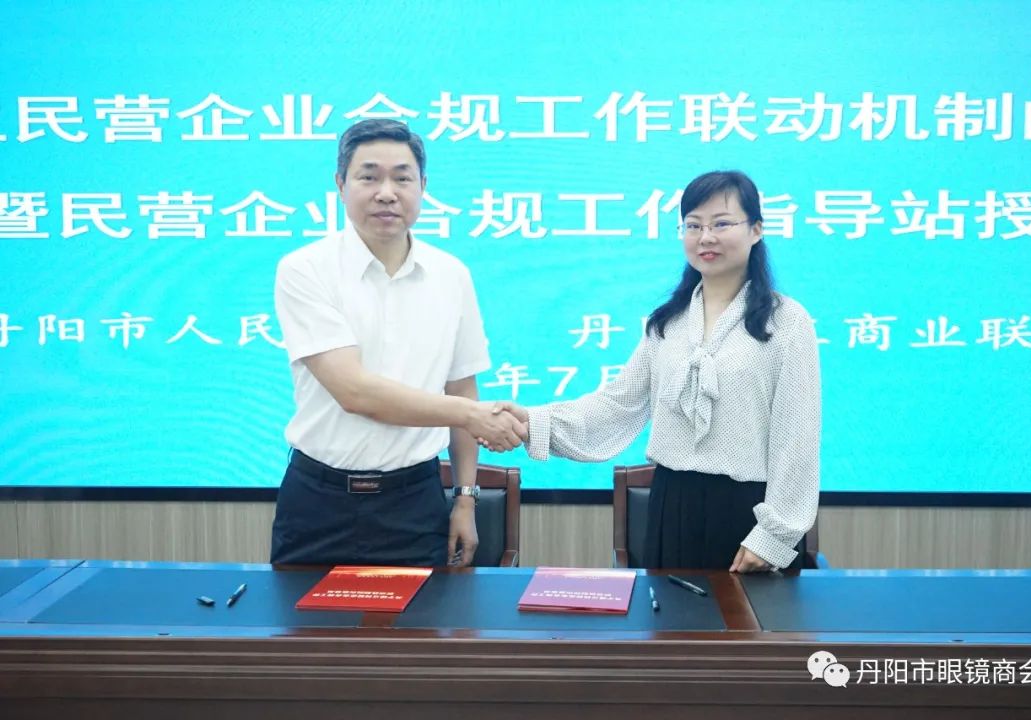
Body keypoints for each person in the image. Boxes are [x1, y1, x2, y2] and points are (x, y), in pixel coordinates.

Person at [490, 170, 820, 572]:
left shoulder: (786, 322)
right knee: (671, 614)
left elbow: (797, 437)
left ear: (756, 229)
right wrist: (532, 422)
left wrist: (773, 537)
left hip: (750, 512)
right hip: (672, 505)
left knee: (748, 616)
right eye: (693, 225)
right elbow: (617, 406)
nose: (706, 237)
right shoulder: (667, 323)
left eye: (721, 224)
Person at [271, 119, 526, 568]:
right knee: (304, 616)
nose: (386, 193)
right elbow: (355, 393)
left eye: (402, 178)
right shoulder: (305, 270)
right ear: (340, 184)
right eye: (369, 177)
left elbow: (462, 388)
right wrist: (472, 415)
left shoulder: (451, 275)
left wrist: (465, 499)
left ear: (423, 186)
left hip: (415, 501)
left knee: (424, 616)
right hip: (318, 500)